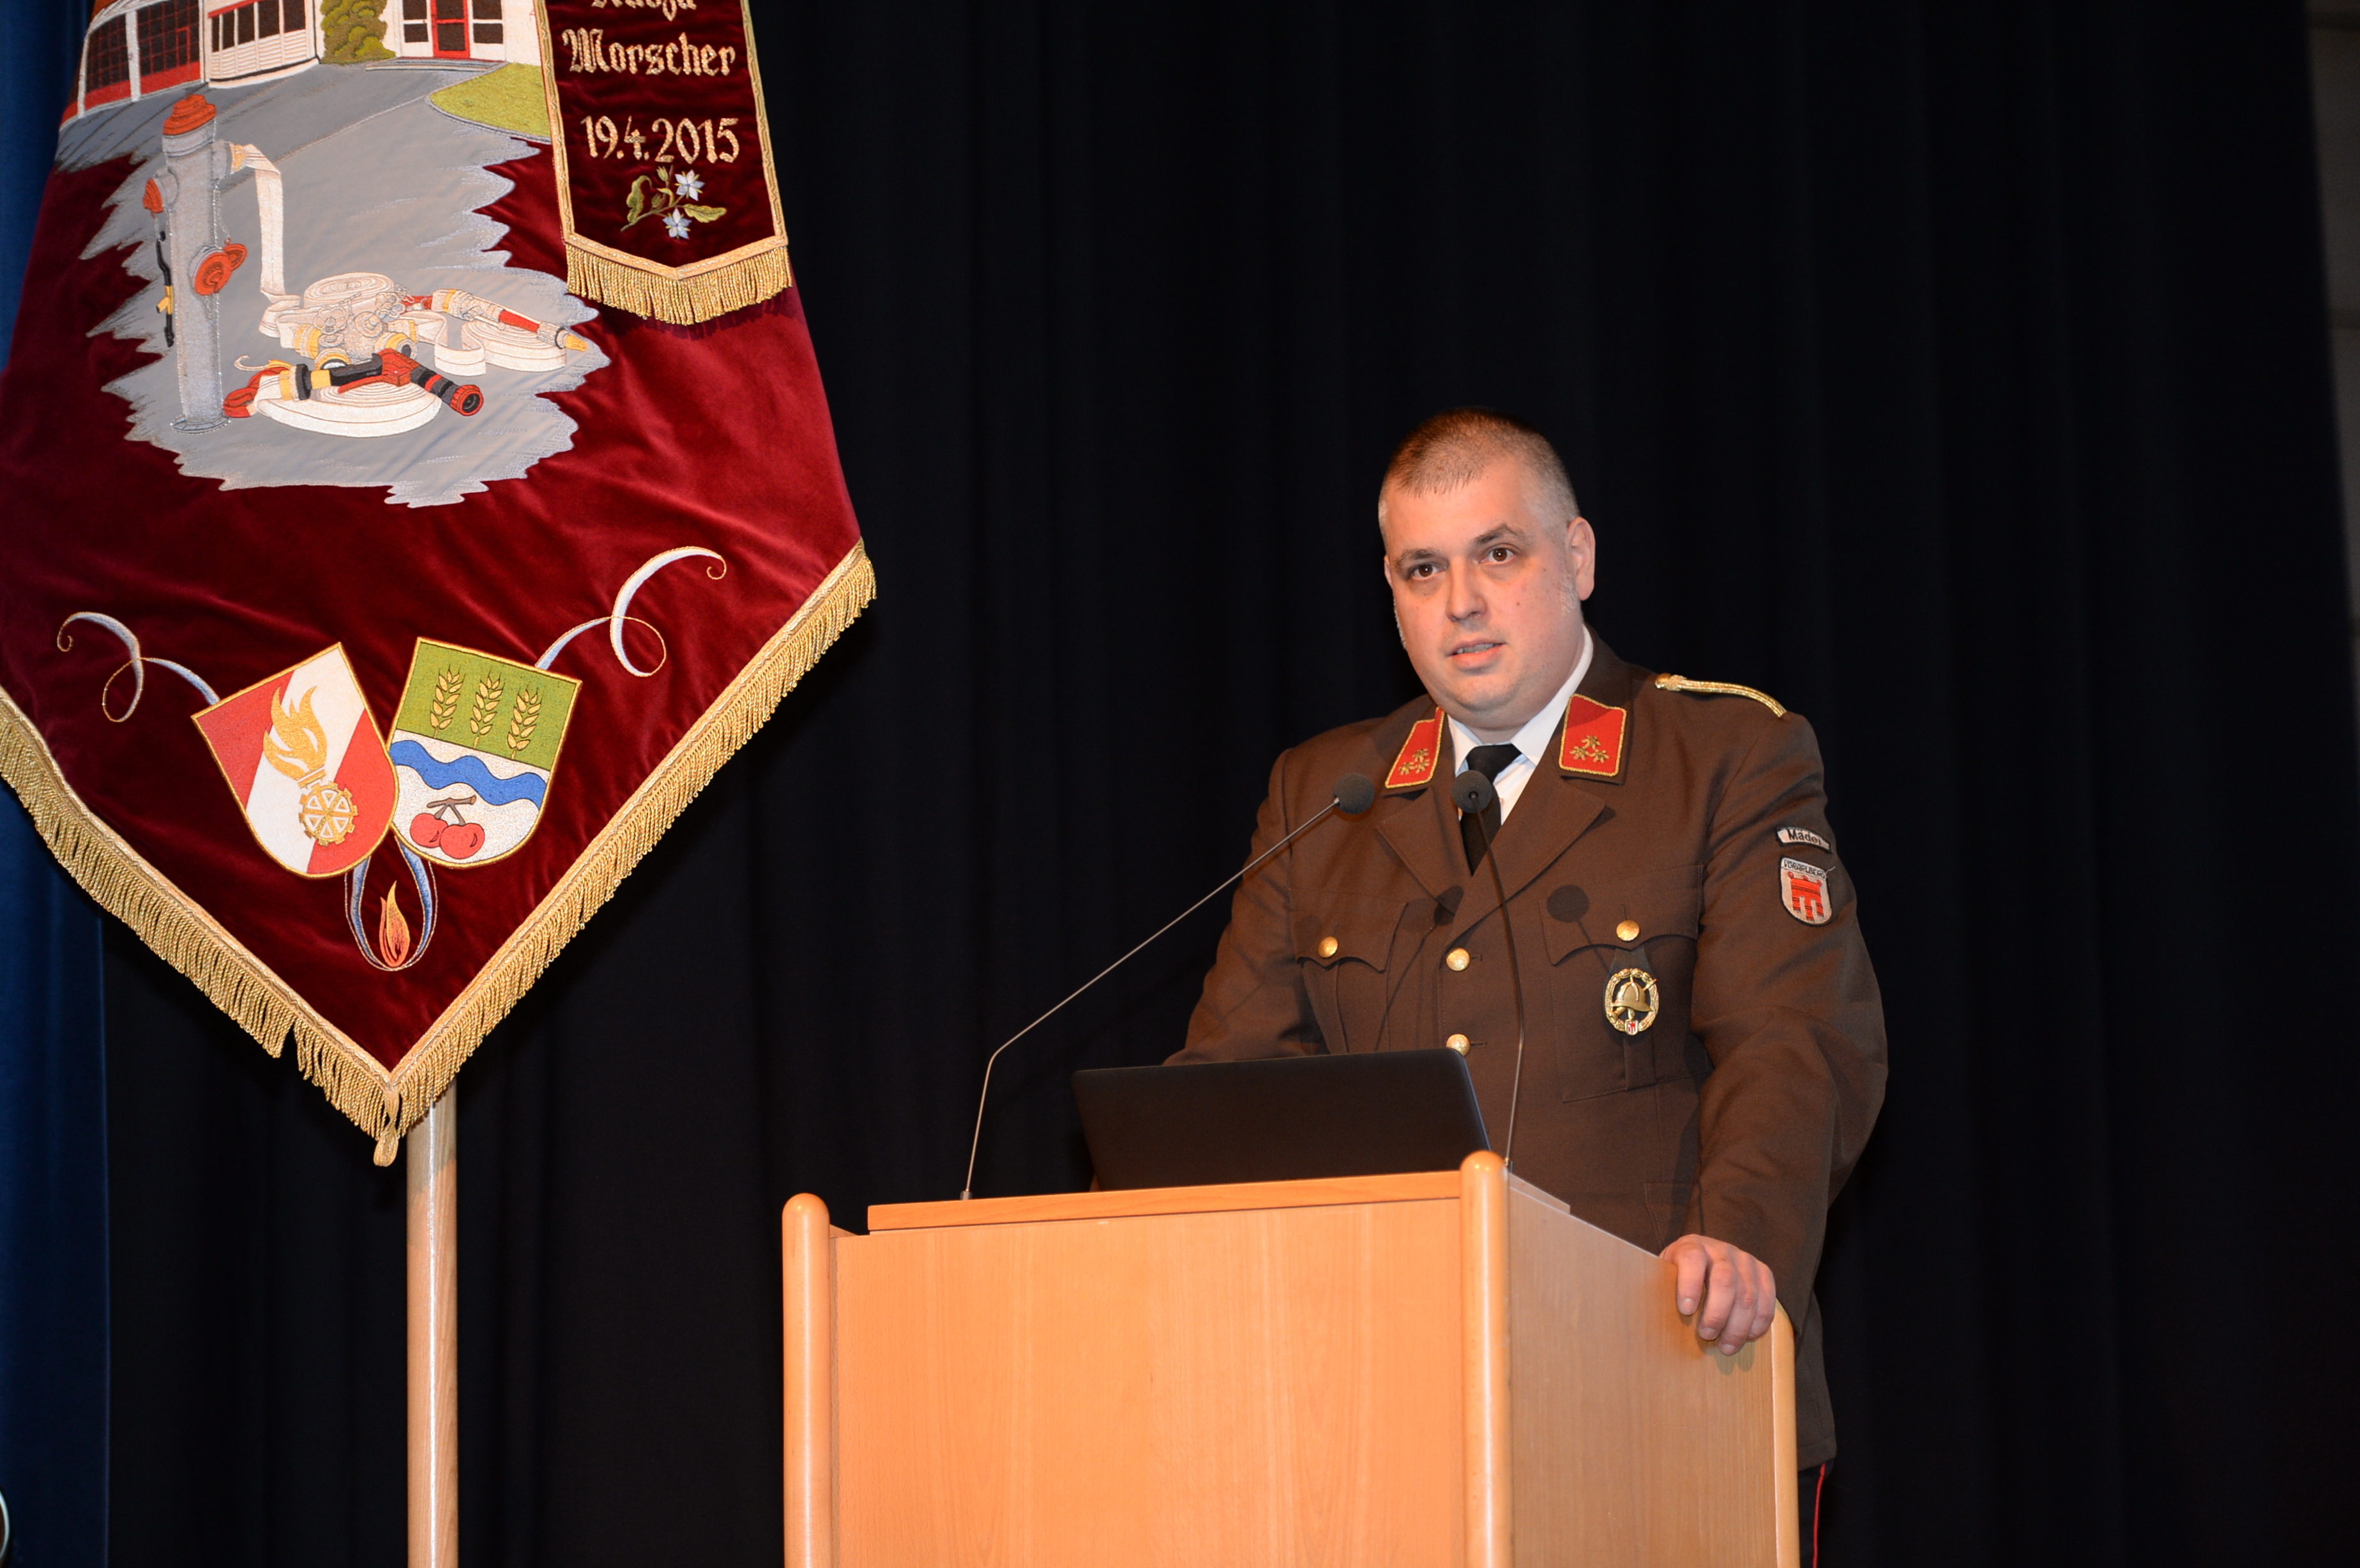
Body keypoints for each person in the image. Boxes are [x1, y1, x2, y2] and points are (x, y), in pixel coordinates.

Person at [1171, 408, 1886, 1548]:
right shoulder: (1327, 795)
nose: (1461, 602)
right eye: (1423, 569)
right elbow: (1232, 1090)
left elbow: (1796, 1040)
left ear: (1578, 557)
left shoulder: (1721, 758)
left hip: (1661, 1379)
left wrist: (1740, 1241)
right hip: (1375, 1416)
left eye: (1497, 554)